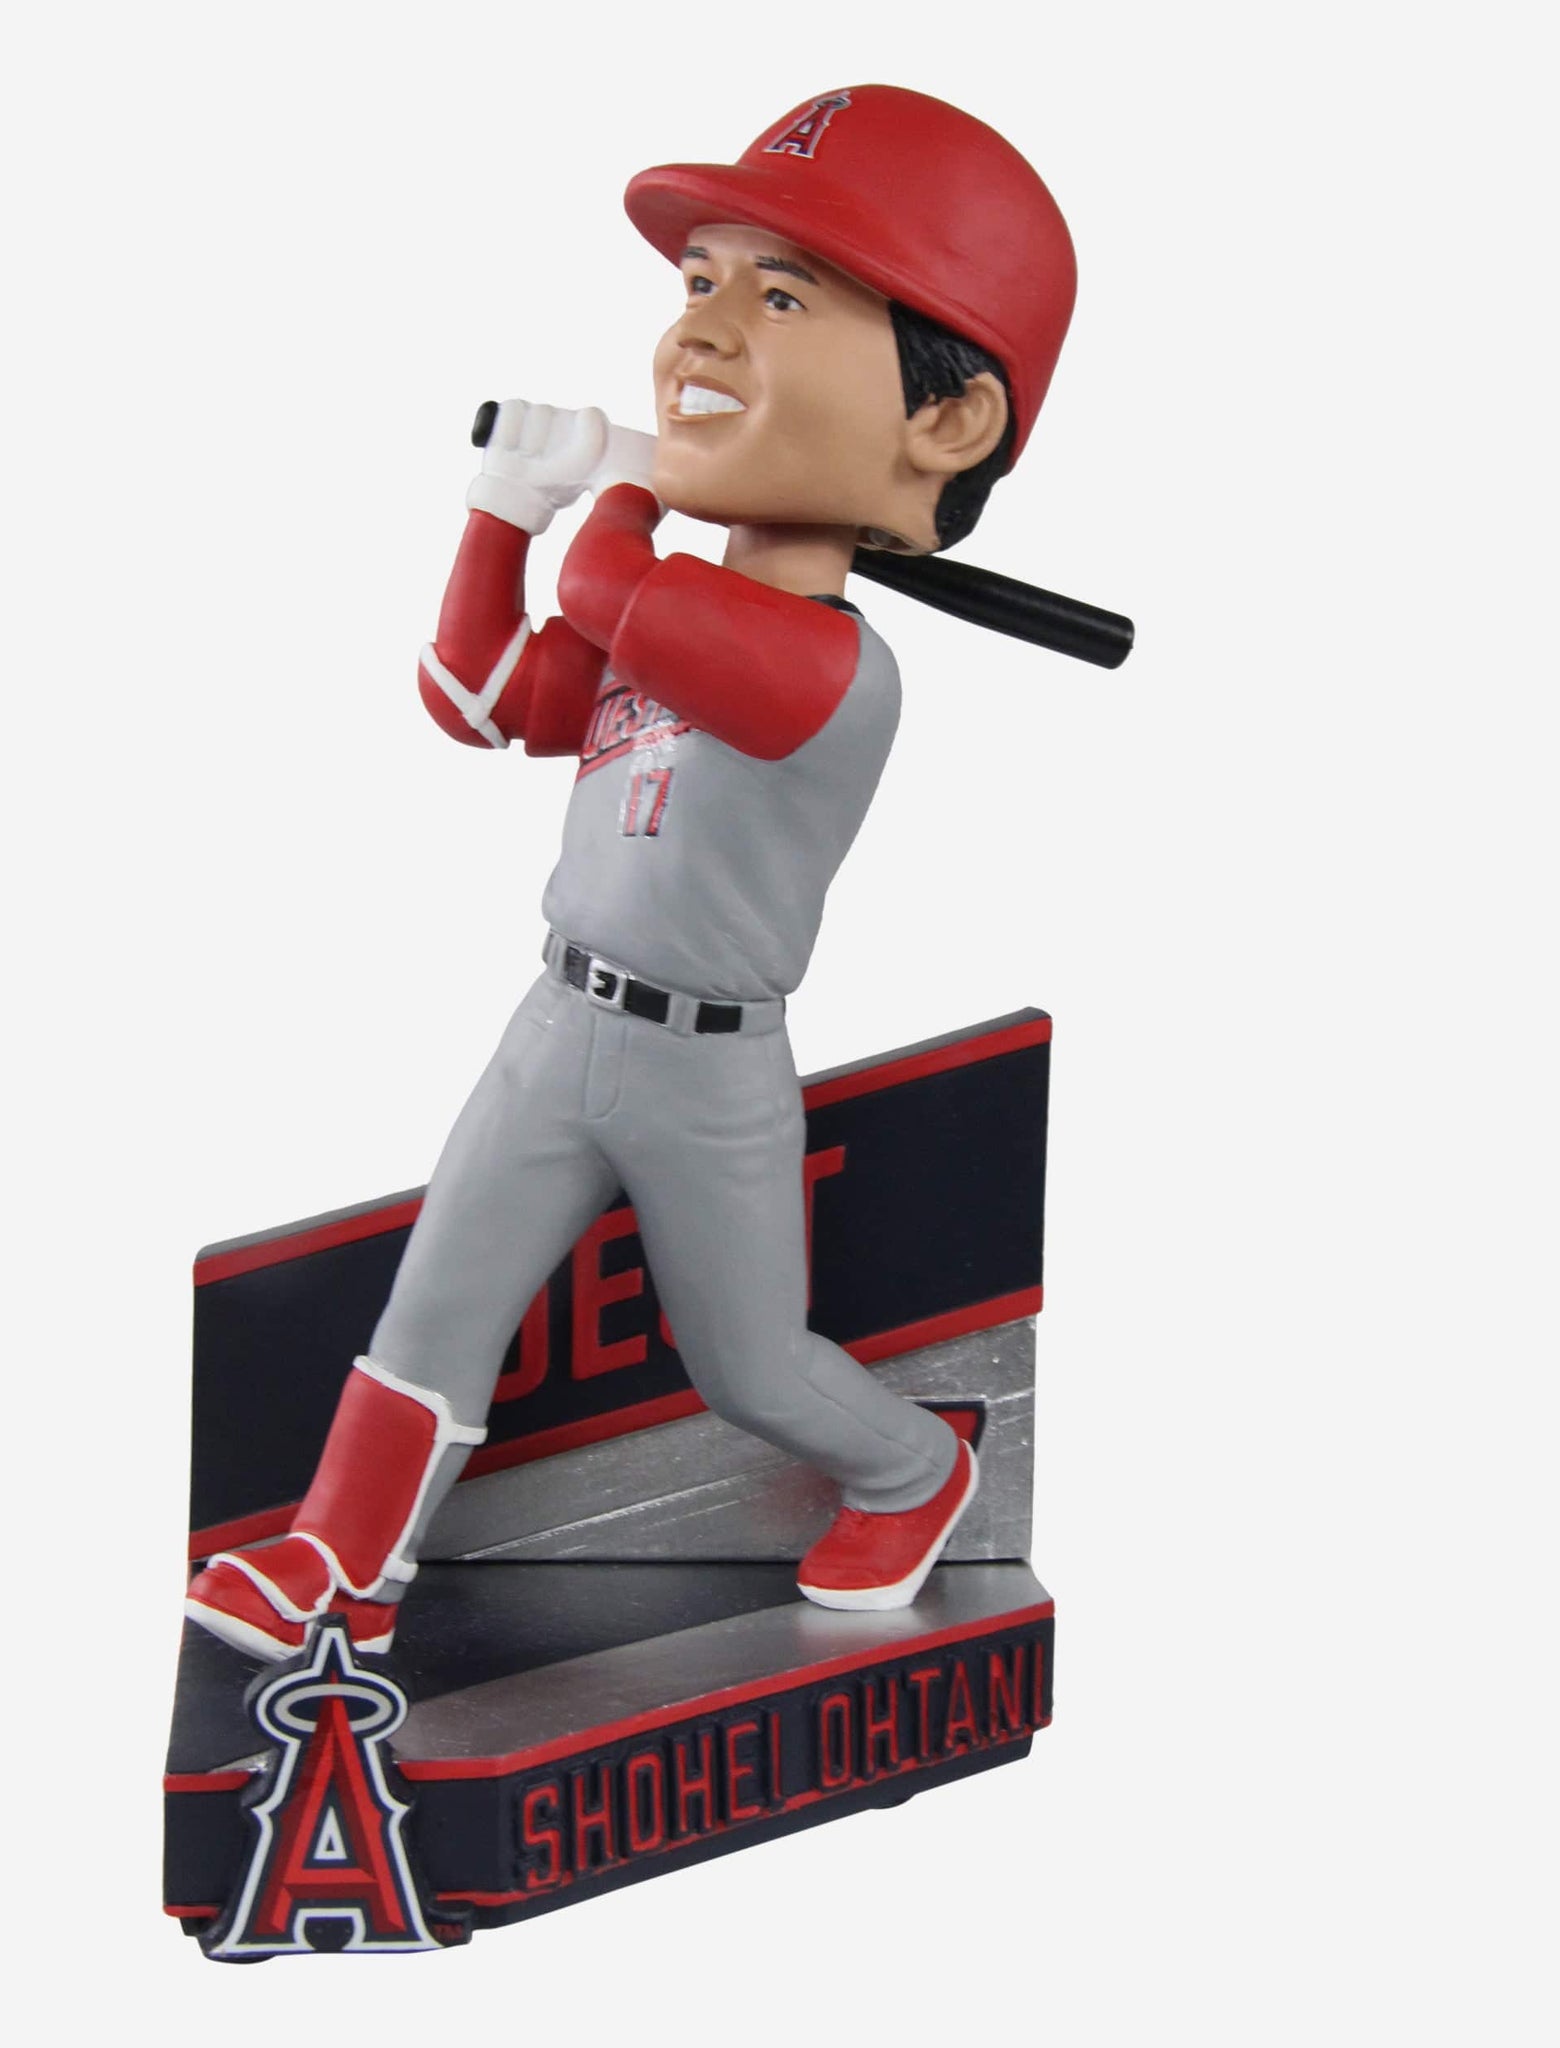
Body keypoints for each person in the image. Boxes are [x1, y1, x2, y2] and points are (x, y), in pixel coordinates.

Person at [187, 85, 1080, 1661]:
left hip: (706, 1070)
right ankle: (339, 1565)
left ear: (944, 425)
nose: (701, 332)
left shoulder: (831, 668)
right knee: (434, 1307)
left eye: (781, 298)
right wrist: (493, 516)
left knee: (746, 1365)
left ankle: (909, 1467)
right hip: (557, 1021)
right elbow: (475, 696)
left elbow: (615, 590)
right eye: (699, 283)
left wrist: (617, 486)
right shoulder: (666, 616)